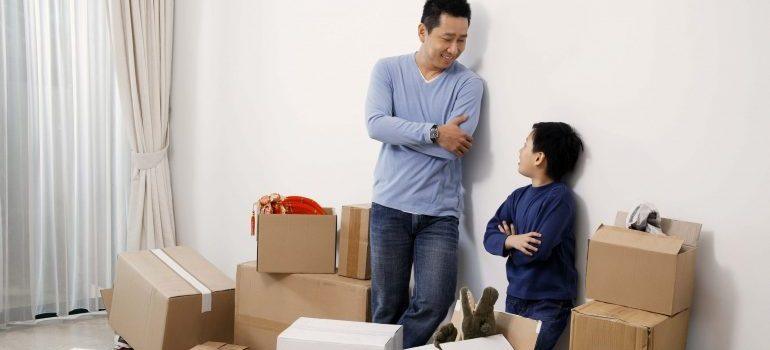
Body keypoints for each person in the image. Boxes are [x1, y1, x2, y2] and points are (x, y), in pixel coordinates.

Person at [364, 0, 484, 347]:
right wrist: (435, 132)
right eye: (447, 38)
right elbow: (375, 125)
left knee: (434, 302)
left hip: (439, 214)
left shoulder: (469, 84)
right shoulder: (387, 70)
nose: (454, 49)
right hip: (390, 206)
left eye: (462, 40)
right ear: (422, 31)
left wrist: (401, 131)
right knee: (387, 305)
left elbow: (455, 146)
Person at [483, 122, 584, 350]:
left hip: (548, 302)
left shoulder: (560, 198)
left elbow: (536, 252)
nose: (520, 151)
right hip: (516, 296)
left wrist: (510, 250)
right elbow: (489, 235)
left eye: (525, 145)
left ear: (539, 158)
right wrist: (512, 241)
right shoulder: (518, 197)